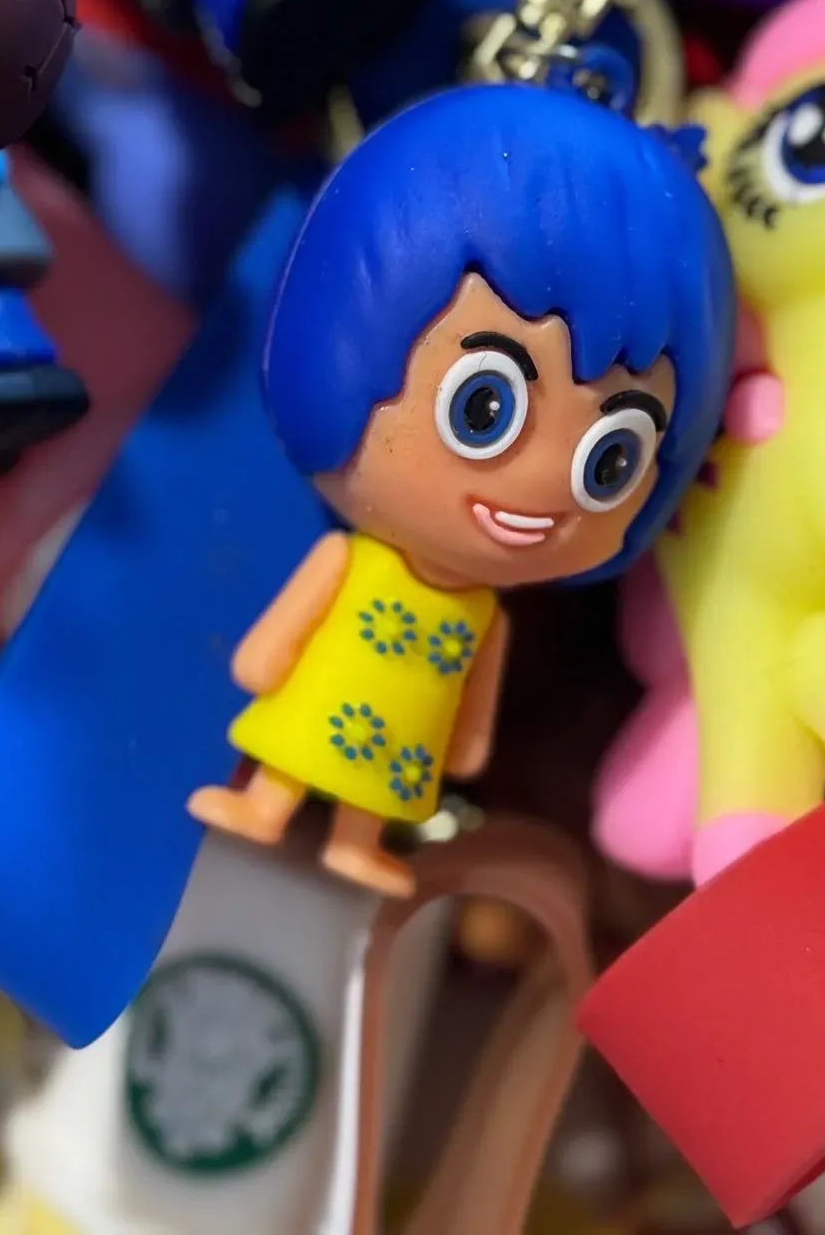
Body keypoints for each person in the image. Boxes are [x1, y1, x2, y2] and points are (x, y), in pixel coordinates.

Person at [190, 79, 735, 894]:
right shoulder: (352, 562)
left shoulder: (482, 613)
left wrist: (467, 745)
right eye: (485, 408)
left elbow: (476, 697)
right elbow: (275, 644)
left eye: (610, 460)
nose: (542, 484)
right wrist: (265, 662)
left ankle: (356, 840)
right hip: (316, 713)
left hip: (402, 744)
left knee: (374, 785)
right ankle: (266, 803)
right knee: (297, 750)